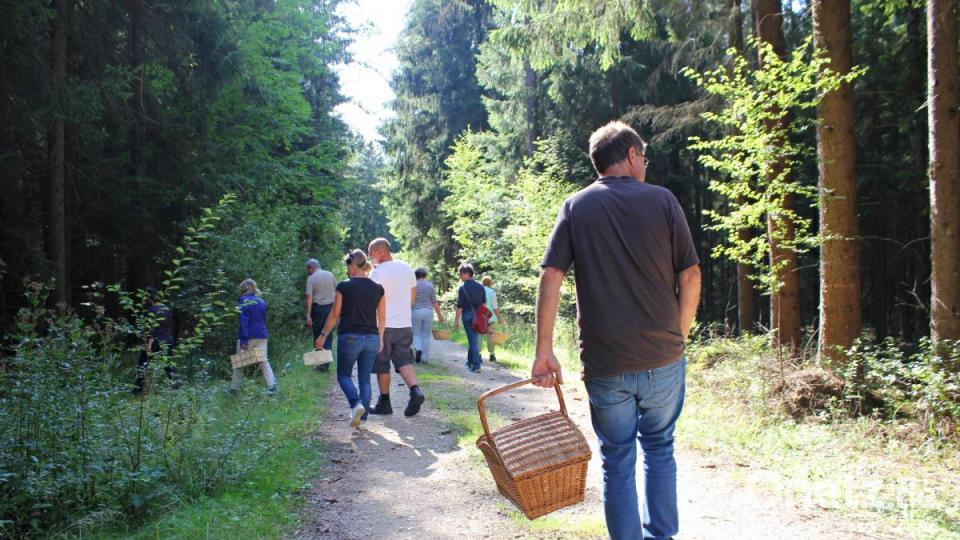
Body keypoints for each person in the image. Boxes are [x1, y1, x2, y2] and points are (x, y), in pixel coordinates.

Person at [532, 121, 701, 540]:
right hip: (664, 357)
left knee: (618, 458)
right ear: (630, 155)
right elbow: (692, 276)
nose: (644, 164)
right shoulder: (663, 201)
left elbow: (551, 274)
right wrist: (677, 337)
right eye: (642, 157)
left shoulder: (576, 206)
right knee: (659, 448)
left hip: (606, 364)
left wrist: (544, 350)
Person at [316, 250, 385, 428]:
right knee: (365, 379)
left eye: (348, 266)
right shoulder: (378, 288)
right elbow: (382, 317)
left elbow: (334, 313)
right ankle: (362, 419)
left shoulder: (344, 286)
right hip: (372, 338)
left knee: (343, 375)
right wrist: (381, 338)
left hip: (350, 337)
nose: (347, 270)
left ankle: (356, 404)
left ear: (353, 265)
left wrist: (323, 335)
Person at [367, 238, 426, 417]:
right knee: (404, 361)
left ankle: (385, 403)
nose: (370, 257)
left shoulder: (376, 274)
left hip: (383, 325)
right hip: (404, 323)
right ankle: (415, 390)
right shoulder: (407, 268)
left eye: (371, 253)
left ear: (379, 251)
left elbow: (372, 302)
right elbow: (412, 298)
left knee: (382, 364)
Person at [233, 278, 278, 395]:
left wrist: (244, 339)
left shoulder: (243, 301)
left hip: (249, 336)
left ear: (243, 289)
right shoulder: (261, 302)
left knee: (238, 363)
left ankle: (234, 388)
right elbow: (262, 319)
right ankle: (272, 385)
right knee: (263, 361)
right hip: (262, 335)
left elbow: (244, 321)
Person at [132, 287, 176, 395]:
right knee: (169, 366)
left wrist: (149, 344)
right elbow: (169, 326)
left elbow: (151, 329)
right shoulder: (167, 309)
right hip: (168, 340)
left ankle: (137, 390)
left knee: (142, 365)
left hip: (155, 341)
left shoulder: (151, 311)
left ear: (150, 299)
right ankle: (176, 389)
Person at [453, 264, 486, 373]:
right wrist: (485, 319)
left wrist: (456, 321)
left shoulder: (463, 288)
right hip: (479, 317)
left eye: (461, 274)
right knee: (473, 339)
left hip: (467, 315)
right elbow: (483, 304)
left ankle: (476, 365)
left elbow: (460, 306)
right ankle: (470, 361)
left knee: (472, 341)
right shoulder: (481, 287)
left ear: (466, 274)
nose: (460, 276)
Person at [305, 258, 336, 373]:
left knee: (318, 335)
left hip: (318, 310)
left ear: (311, 268)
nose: (308, 271)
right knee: (327, 335)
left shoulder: (311, 279)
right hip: (330, 309)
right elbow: (336, 291)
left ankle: (321, 365)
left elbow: (309, 298)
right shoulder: (330, 275)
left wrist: (308, 315)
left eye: (308, 269)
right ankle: (326, 363)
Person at [412, 267, 445, 363]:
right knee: (426, 335)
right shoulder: (430, 286)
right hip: (428, 311)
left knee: (416, 333)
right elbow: (434, 302)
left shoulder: (413, 286)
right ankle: (425, 358)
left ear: (416, 276)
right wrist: (439, 314)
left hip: (416, 311)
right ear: (425, 276)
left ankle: (418, 349)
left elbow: (410, 300)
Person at [480, 276, 502, 363]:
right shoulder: (492, 292)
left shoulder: (478, 291)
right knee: (490, 335)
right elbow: (495, 307)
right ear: (490, 283)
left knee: (479, 335)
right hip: (490, 317)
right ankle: (492, 355)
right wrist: (499, 318)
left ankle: (478, 354)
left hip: (480, 317)